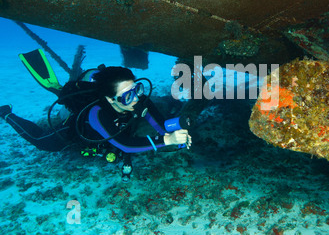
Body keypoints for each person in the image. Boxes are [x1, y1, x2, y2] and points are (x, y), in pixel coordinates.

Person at [0, 64, 191, 182]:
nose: (136, 98)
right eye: (127, 96)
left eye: (137, 89)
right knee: (42, 142)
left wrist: (177, 136)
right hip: (79, 132)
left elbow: (161, 125)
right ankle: (7, 114)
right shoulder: (96, 115)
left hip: (111, 133)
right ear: (110, 99)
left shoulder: (138, 99)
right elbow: (126, 145)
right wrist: (166, 140)